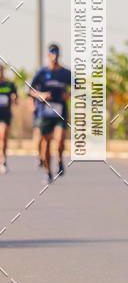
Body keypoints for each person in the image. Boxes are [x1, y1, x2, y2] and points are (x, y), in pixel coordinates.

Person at [29, 44, 71, 184]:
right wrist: (40, 95)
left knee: (60, 140)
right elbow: (30, 89)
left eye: (56, 53)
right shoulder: (42, 72)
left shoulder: (66, 73)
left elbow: (79, 86)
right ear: (48, 55)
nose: (55, 55)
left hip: (60, 111)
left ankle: (60, 160)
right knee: (45, 142)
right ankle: (48, 172)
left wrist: (68, 94)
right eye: (52, 53)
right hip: (45, 112)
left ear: (59, 55)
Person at [0, 64, 18, 173]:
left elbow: (15, 95)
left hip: (5, 115)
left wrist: (14, 98)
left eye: (1, 70)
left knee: (3, 136)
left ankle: (3, 160)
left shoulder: (9, 84)